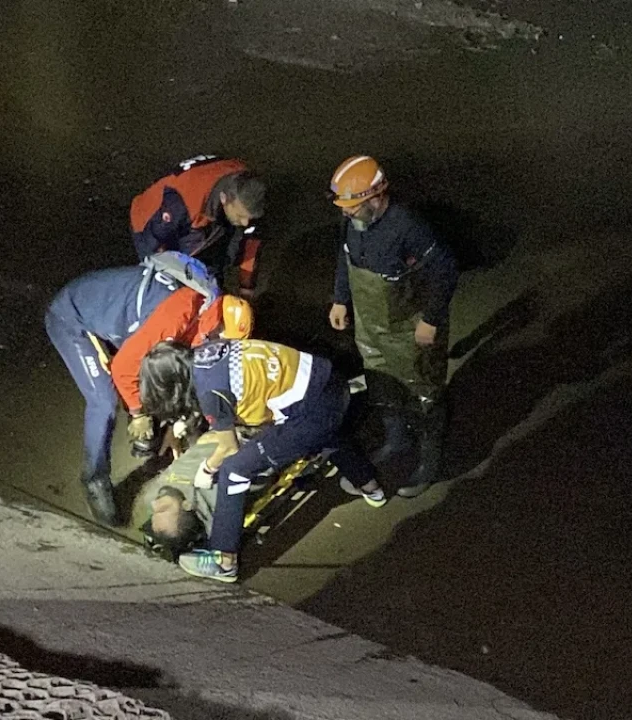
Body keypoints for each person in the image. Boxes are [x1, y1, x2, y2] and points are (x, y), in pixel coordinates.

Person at [139, 339, 386, 583]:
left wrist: (207, 468)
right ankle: (370, 487)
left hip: (313, 409)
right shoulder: (207, 352)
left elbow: (228, 447)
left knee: (235, 469)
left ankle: (224, 561)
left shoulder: (210, 393)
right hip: (328, 380)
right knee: (323, 434)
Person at [44, 252, 254, 524]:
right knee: (105, 402)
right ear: (218, 329)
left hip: (117, 319)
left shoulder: (208, 308)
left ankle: (152, 433)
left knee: (160, 368)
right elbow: (123, 368)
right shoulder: (180, 314)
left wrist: (174, 425)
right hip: (72, 318)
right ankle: (94, 478)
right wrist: (138, 412)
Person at [327, 155, 460, 498]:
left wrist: (431, 319)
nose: (346, 212)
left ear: (374, 198)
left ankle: (429, 460)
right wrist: (341, 298)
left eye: (351, 206)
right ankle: (396, 439)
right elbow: (346, 258)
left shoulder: (407, 227)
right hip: (372, 328)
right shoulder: (353, 224)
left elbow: (444, 269)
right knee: (382, 385)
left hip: (411, 327)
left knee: (424, 392)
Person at [130, 155, 267, 297]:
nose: (245, 222)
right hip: (150, 222)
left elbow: (251, 244)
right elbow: (154, 245)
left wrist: (246, 287)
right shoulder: (182, 201)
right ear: (224, 198)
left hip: (203, 215)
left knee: (214, 270)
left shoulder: (246, 186)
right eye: (240, 216)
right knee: (166, 288)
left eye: (249, 218)